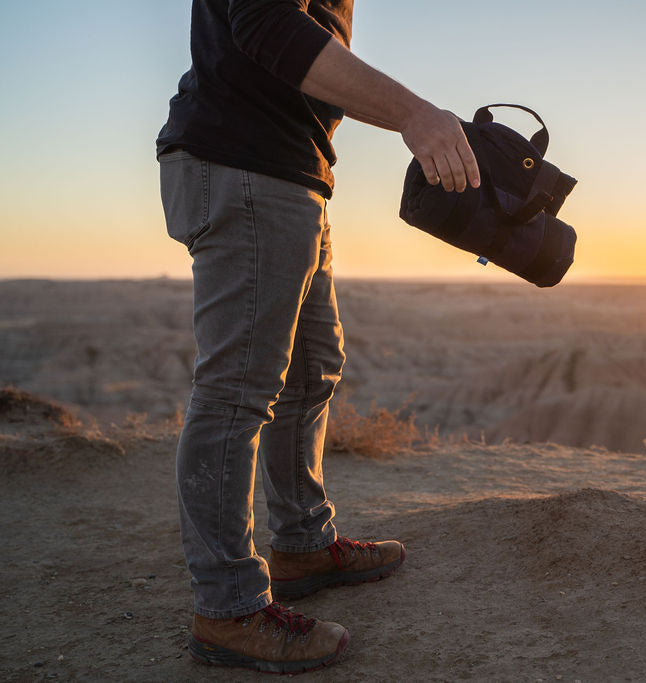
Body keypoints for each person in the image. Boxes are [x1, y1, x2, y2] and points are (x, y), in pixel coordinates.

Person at [156, 0, 480, 674]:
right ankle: (228, 609)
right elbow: (267, 23)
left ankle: (302, 544)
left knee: (311, 370)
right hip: (243, 163)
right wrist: (413, 113)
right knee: (237, 391)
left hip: (290, 170)